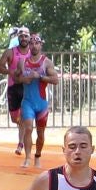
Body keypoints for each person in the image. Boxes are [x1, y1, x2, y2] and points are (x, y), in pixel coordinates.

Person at [12, 34, 58, 164]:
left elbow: (55, 80)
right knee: (28, 129)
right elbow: (15, 78)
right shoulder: (23, 62)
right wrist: (23, 79)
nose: (33, 46)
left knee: (41, 134)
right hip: (27, 102)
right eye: (31, 44)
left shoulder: (46, 62)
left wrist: (40, 77)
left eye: (36, 43)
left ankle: (37, 155)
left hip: (41, 104)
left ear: (40, 45)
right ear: (29, 46)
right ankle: (27, 158)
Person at [4, 26, 30, 153]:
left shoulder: (32, 51)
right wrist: (12, 72)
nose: (23, 38)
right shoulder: (12, 48)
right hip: (13, 86)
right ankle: (23, 126)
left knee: (24, 117)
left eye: (26, 36)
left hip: (26, 87)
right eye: (21, 36)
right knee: (15, 118)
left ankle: (20, 144)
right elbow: (3, 64)